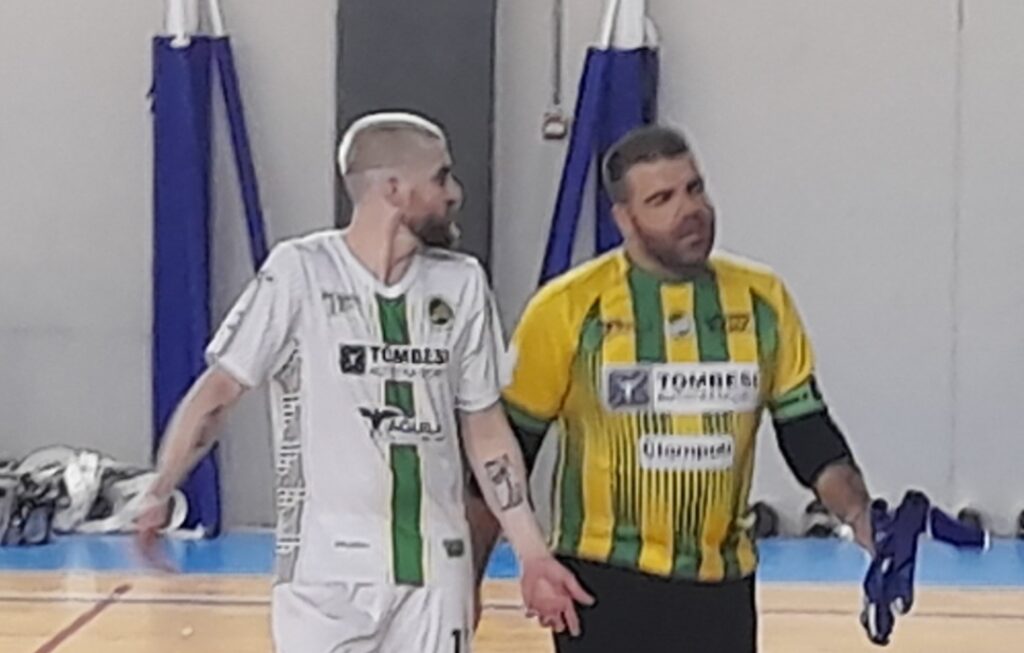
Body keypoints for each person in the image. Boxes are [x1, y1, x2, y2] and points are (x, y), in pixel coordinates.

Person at [134, 111, 592, 653]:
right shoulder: (300, 271)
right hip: (325, 575)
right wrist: (161, 488)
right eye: (441, 177)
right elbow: (218, 394)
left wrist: (532, 552)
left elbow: (486, 431)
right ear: (394, 189)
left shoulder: (462, 283)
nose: (454, 193)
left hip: (435, 572)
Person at [480, 124, 876, 652]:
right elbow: (506, 452)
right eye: (662, 199)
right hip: (604, 581)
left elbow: (807, 432)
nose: (690, 210)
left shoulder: (762, 299)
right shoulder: (568, 308)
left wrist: (860, 515)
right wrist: (475, 579)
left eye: (695, 188)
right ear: (624, 218)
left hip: (722, 587)